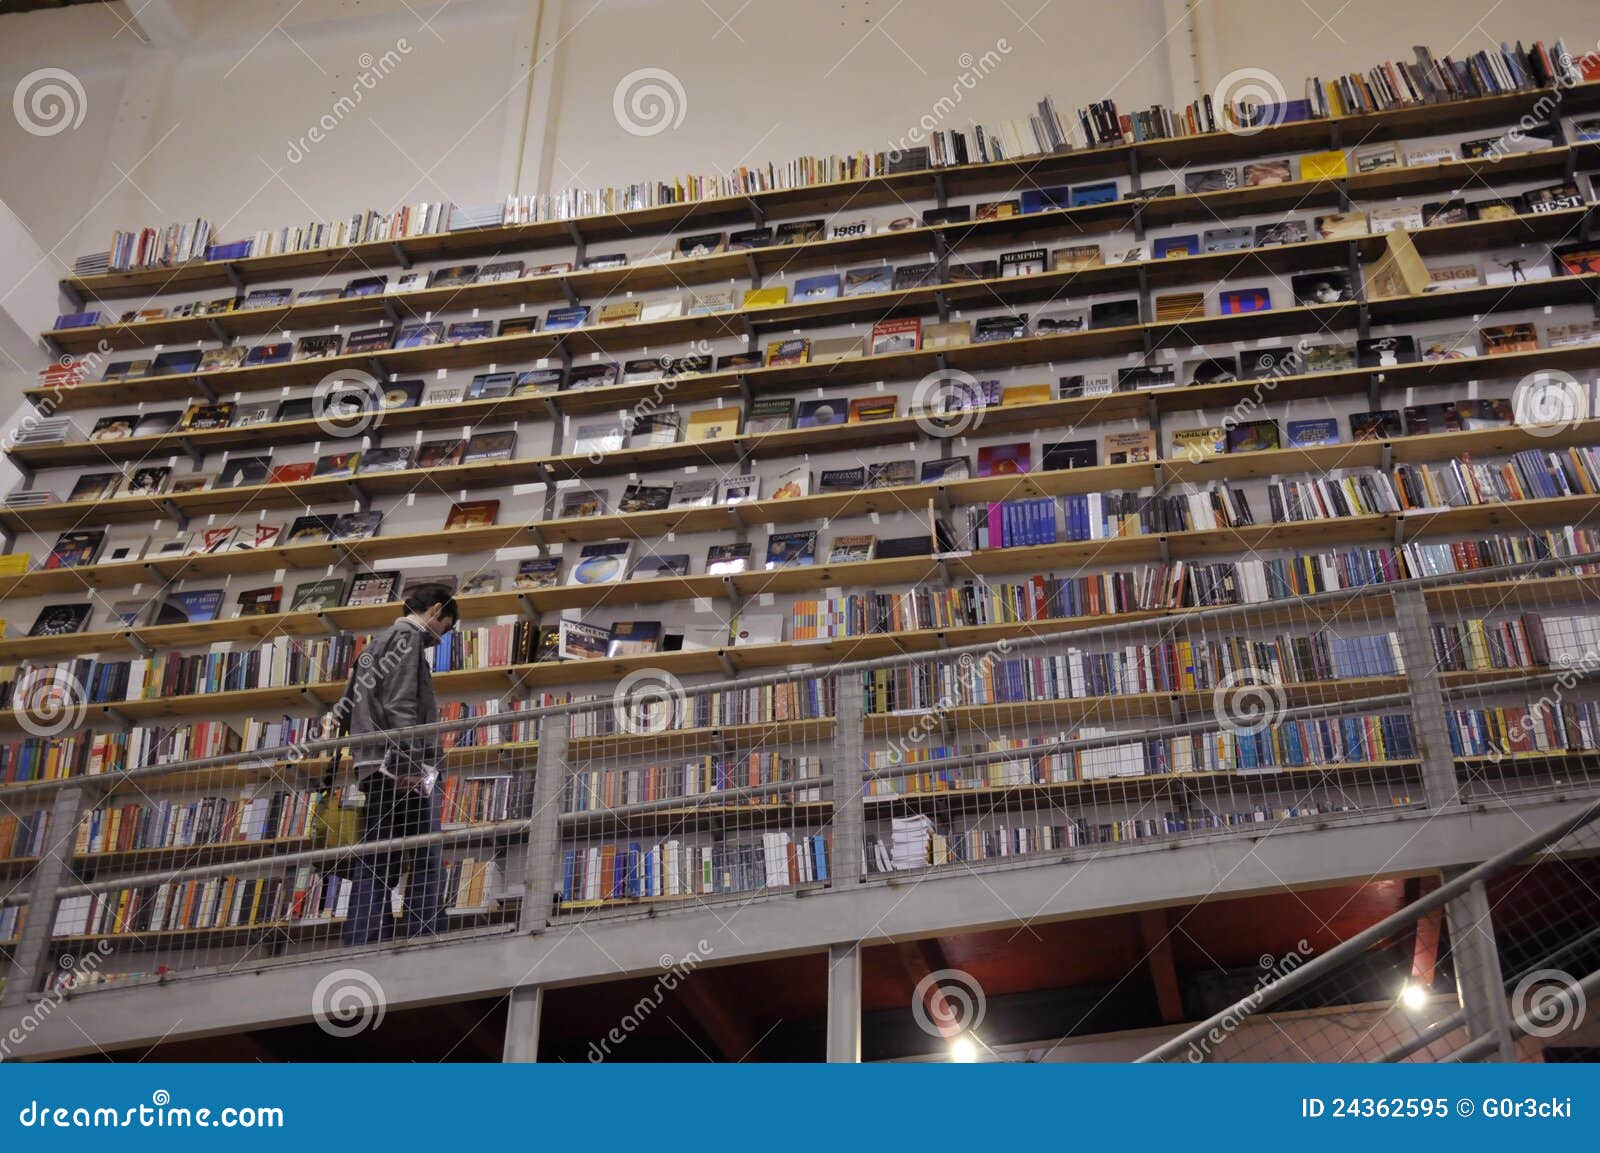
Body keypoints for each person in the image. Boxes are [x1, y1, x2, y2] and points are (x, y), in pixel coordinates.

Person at [340, 586, 458, 945]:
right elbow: (400, 705)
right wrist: (411, 766)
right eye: (446, 627)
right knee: (424, 857)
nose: (441, 638)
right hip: (400, 768)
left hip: (377, 765)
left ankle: (364, 939)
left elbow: (350, 706)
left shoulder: (379, 642)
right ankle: (425, 938)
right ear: (436, 610)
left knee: (379, 859)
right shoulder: (407, 638)